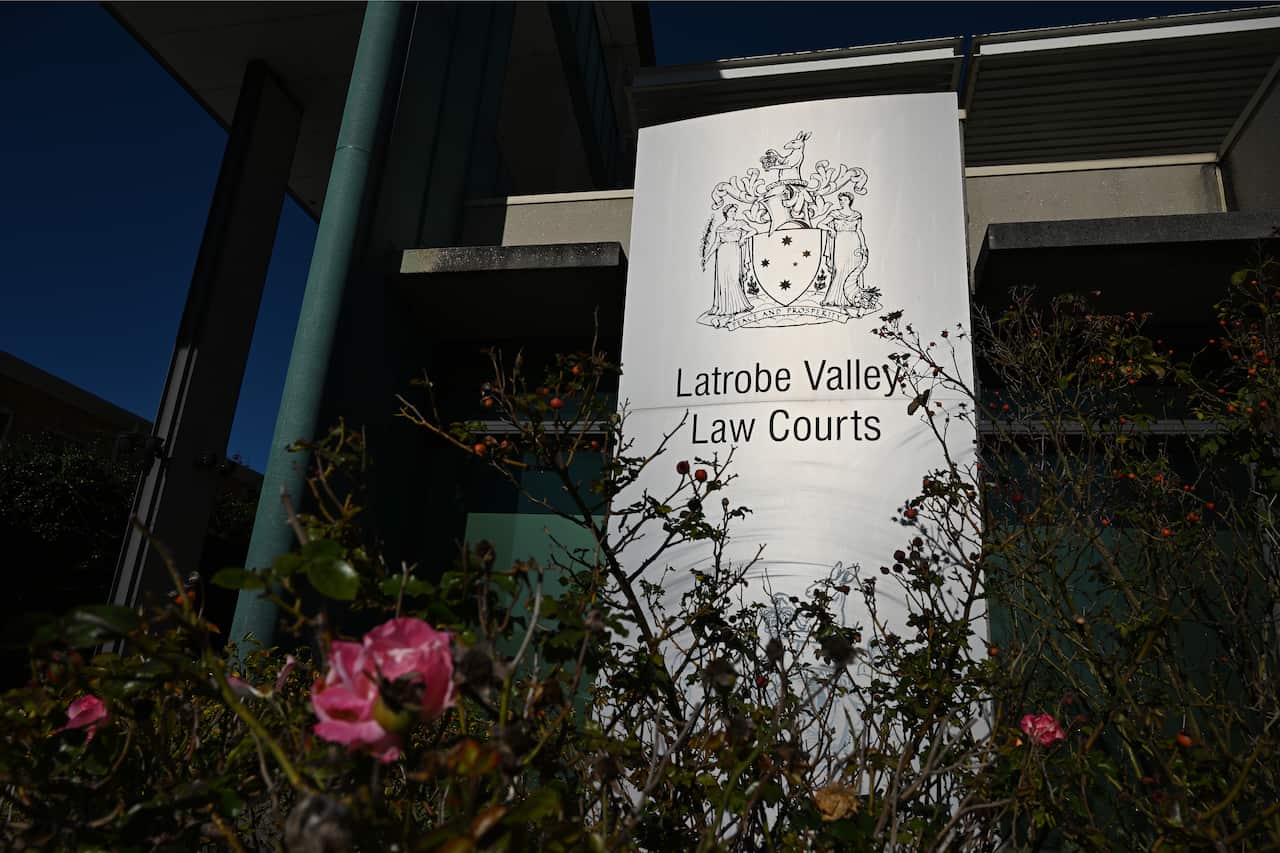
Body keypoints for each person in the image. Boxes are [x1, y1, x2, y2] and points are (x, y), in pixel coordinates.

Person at [821, 193, 869, 309]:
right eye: (840, 200)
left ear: (849, 200)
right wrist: (830, 228)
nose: (841, 201)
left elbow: (859, 231)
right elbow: (820, 224)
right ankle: (835, 298)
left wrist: (863, 245)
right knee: (840, 268)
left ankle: (853, 297)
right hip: (840, 242)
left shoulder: (857, 215)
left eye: (844, 199)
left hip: (854, 243)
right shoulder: (835, 213)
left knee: (853, 268)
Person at [706, 205, 754, 316]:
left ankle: (738, 305)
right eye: (731, 211)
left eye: (734, 211)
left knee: (733, 277)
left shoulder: (740, 223)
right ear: (726, 212)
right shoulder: (720, 227)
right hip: (722, 253)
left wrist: (743, 237)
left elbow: (753, 231)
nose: (733, 212)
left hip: (734, 250)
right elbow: (716, 243)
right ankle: (723, 307)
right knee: (722, 279)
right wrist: (708, 255)